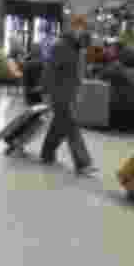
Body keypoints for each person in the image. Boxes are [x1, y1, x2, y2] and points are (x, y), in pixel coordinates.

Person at [36, 13, 97, 175]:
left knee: (59, 126)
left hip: (69, 93)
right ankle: (83, 163)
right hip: (58, 93)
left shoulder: (79, 48)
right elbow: (49, 70)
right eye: (78, 27)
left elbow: (78, 74)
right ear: (72, 27)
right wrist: (45, 92)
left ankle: (46, 153)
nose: (81, 31)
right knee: (71, 126)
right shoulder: (61, 46)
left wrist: (79, 91)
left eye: (83, 28)